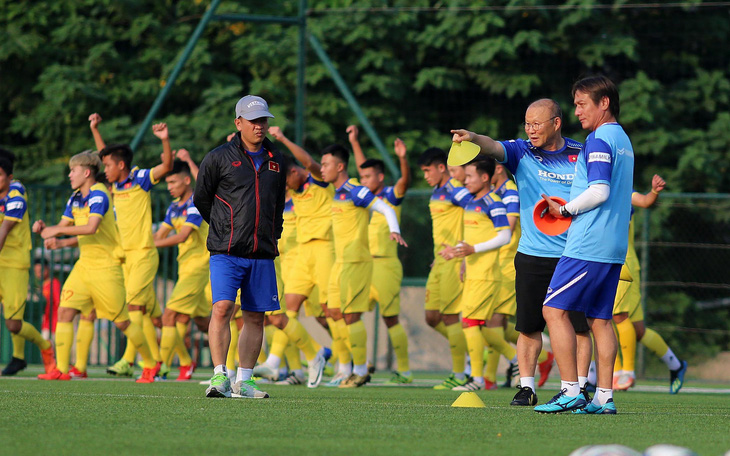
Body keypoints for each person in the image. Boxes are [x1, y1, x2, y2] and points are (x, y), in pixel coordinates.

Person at [451, 98, 591, 407]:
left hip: (575, 253)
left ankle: (580, 386)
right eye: (527, 124)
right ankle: (526, 387)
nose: (531, 130)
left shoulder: (582, 154)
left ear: (556, 123)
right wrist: (473, 138)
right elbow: (492, 147)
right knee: (528, 325)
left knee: (580, 326)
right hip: (532, 254)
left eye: (537, 124)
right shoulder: (521, 151)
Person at [536, 75, 634, 414]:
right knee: (600, 320)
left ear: (603, 103)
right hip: (613, 245)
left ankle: (570, 390)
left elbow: (599, 191)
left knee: (553, 310)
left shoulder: (598, 139)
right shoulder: (623, 139)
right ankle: (604, 398)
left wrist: (563, 209)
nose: (577, 111)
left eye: (582, 104)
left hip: (588, 243)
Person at [35, 151, 158, 382]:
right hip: (84, 267)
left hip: (106, 268)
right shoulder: (74, 198)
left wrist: (58, 231)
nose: (70, 174)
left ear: (87, 172)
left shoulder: (99, 194)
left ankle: (151, 365)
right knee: (64, 311)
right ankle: (61, 370)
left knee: (122, 322)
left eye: (73, 170)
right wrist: (47, 231)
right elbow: (62, 225)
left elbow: (91, 227)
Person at [194, 95, 287, 398]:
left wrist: (273, 234)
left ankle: (244, 381)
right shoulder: (218, 157)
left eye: (263, 120)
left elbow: (277, 204)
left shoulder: (276, 161)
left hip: (262, 252)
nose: (260, 126)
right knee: (222, 308)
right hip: (226, 251)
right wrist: (222, 227)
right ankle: (220, 376)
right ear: (238, 123)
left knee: (255, 316)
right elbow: (201, 198)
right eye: (253, 121)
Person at [319, 143, 407, 388]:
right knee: (332, 311)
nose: (321, 169)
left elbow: (386, 208)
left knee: (350, 315)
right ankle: (345, 368)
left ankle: (359, 370)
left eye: (325, 164)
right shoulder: (336, 192)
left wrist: (394, 229)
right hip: (340, 262)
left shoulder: (355, 190)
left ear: (339, 167)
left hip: (357, 262)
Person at [94, 114, 173, 377]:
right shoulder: (114, 184)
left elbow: (166, 166)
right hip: (125, 258)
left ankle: (131, 360)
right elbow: (102, 153)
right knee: (151, 315)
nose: (104, 170)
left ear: (121, 165)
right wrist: (95, 130)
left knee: (133, 308)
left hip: (143, 255)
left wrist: (165, 140)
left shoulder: (140, 178)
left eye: (108, 166)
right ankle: (162, 361)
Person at [254, 125, 333, 388]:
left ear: (296, 173)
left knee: (331, 313)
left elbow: (309, 162)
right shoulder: (294, 192)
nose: (285, 186)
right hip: (300, 257)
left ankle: (347, 365)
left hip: (324, 251)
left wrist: (282, 137)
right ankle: (294, 360)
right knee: (284, 313)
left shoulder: (319, 180)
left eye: (287, 180)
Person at [438, 158, 512, 391]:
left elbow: (505, 237)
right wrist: (460, 254)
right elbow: (474, 238)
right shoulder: (471, 203)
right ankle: (514, 360)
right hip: (473, 273)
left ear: (484, 178)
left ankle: (477, 380)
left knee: (469, 322)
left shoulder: (495, 203)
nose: (465, 180)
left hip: (486, 275)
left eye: (469, 176)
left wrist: (473, 250)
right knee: (479, 326)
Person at [347, 125, 413, 384]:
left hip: (385, 265)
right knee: (351, 316)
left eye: (368, 177)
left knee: (390, 318)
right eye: (361, 178)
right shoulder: (362, 199)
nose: (363, 181)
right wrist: (354, 142)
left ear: (381, 177)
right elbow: (364, 168)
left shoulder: (390, 196)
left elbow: (404, 182)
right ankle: (358, 367)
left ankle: (405, 371)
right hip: (363, 265)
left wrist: (402, 158)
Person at [612, 175, 688, 394]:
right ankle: (676, 365)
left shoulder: (620, 191)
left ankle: (624, 373)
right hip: (612, 263)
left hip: (623, 265)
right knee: (638, 330)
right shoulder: (592, 191)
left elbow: (645, 202)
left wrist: (654, 192)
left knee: (617, 317)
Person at [489, 163, 555, 389]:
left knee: (490, 324)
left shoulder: (509, 192)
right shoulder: (494, 193)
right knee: (492, 324)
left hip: (509, 265)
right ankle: (540, 359)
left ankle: (491, 375)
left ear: (497, 168)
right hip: (494, 265)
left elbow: (506, 230)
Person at [417, 147, 471, 389]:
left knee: (450, 316)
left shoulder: (455, 190)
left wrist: (462, 250)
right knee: (432, 317)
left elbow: (476, 212)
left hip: (454, 260)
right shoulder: (437, 191)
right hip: (439, 260)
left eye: (428, 170)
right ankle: (469, 352)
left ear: (441, 168)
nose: (426, 176)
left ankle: (460, 374)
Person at [0, 149, 57, 376]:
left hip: (14, 263)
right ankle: (18, 357)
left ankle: (45, 347)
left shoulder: (16, 194)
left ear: (10, 177)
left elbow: (4, 231)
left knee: (13, 323)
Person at [155, 160, 211, 381]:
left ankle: (163, 367)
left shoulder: (195, 203)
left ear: (187, 180)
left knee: (169, 315)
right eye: (167, 182)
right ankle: (189, 364)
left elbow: (183, 235)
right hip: (185, 268)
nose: (169, 187)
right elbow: (159, 235)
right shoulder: (174, 207)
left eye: (173, 182)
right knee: (202, 322)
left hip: (198, 267)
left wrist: (146, 245)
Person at [34, 259, 60, 341]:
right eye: (36, 271)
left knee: (48, 350)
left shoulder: (54, 283)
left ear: (47, 269)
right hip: (45, 324)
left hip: (53, 325)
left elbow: (59, 303)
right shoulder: (42, 286)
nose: (38, 274)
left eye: (41, 270)